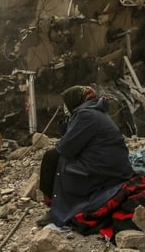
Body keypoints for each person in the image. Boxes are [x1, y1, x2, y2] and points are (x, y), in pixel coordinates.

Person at [38, 85, 134, 227]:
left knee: (52, 158)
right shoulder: (93, 111)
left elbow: (66, 148)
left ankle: (57, 209)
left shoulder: (85, 115)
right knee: (54, 157)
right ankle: (56, 204)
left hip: (103, 168)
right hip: (112, 165)